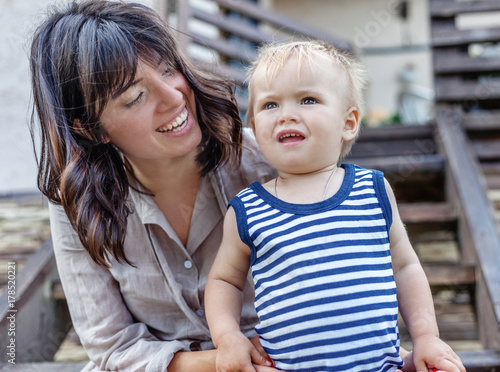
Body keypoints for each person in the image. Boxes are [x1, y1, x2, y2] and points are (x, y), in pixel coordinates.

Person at [29, 1, 279, 371]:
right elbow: (111, 346)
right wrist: (224, 361)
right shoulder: (79, 202)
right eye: (135, 97)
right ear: (90, 128)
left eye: (168, 70)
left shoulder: (264, 163)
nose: (174, 97)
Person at [205, 41, 465, 372]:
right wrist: (228, 337)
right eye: (270, 105)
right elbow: (224, 281)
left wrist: (426, 337)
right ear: (255, 129)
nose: (287, 115)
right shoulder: (247, 209)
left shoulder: (372, 191)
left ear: (349, 123)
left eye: (308, 100)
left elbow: (404, 267)